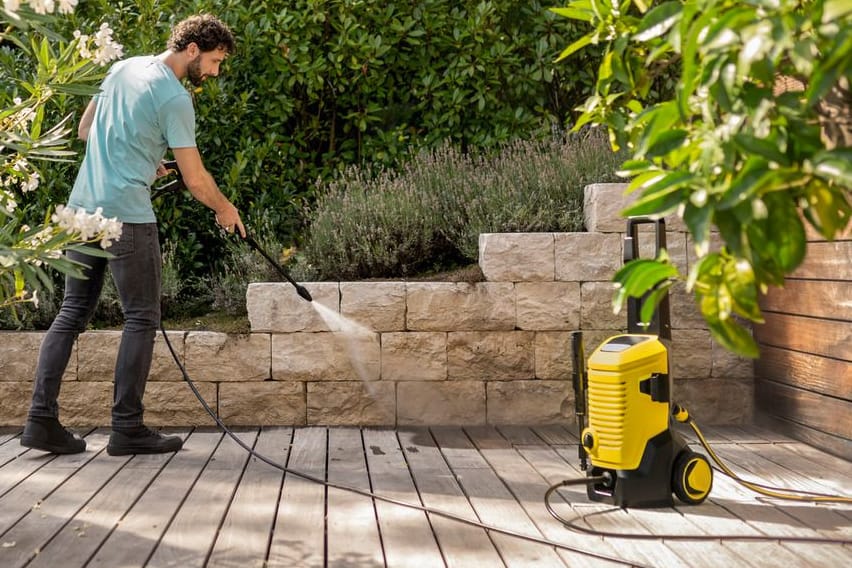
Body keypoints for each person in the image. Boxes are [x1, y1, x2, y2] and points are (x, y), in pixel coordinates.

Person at [21, 14, 245, 456]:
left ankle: (39, 421)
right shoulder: (175, 99)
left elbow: (88, 132)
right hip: (127, 217)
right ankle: (127, 428)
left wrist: (145, 160)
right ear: (193, 49)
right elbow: (197, 180)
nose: (215, 72)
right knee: (142, 318)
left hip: (82, 211)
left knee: (70, 313)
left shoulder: (121, 68)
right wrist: (225, 208)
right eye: (216, 61)